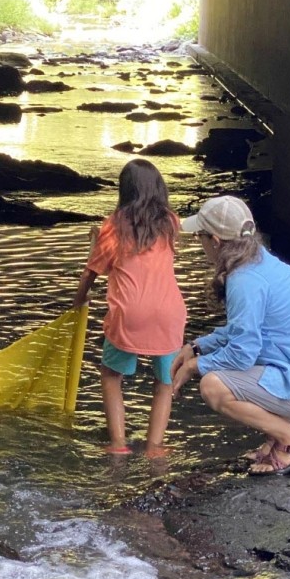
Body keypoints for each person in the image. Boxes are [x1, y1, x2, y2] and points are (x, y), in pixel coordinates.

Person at [171, 195, 290, 475]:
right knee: (229, 370)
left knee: (213, 386)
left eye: (200, 237)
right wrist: (198, 346)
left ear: (216, 241)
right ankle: (280, 434)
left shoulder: (245, 280)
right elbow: (243, 333)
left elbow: (243, 353)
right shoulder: (260, 261)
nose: (199, 243)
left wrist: (197, 365)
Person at [72, 159, 186, 455]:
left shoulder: (114, 226)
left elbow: (91, 272)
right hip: (168, 312)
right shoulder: (171, 223)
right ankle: (154, 446)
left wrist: (79, 300)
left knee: (111, 376)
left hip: (129, 313)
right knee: (164, 381)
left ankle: (119, 443)